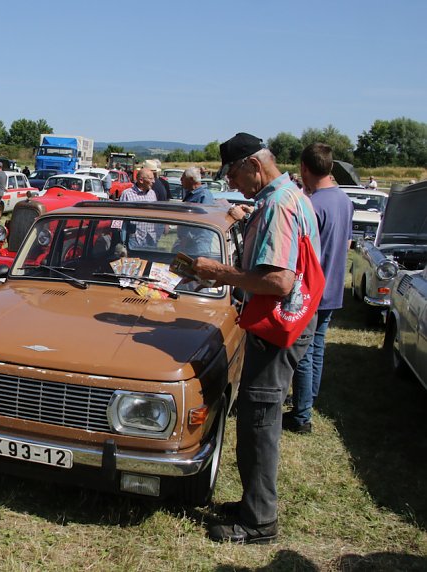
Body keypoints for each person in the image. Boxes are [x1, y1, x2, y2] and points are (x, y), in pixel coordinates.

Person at [192, 132, 320, 545]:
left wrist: (218, 273)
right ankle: (253, 505)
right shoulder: (290, 196)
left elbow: (279, 281)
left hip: (277, 325)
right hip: (290, 322)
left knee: (260, 420)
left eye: (232, 173)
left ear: (253, 164)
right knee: (255, 415)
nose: (231, 182)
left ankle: (259, 522)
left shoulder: (278, 205)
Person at [286, 144, 353, 434]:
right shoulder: (344, 200)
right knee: (316, 348)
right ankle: (307, 400)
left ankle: (301, 416)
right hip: (333, 286)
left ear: (304, 168)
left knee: (302, 353)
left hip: (312, 290)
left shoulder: (312, 205)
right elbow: (347, 243)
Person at [119, 168, 158, 248]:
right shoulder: (127, 194)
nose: (154, 181)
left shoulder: (152, 193)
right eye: (151, 179)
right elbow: (120, 218)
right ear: (141, 180)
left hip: (150, 238)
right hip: (134, 238)